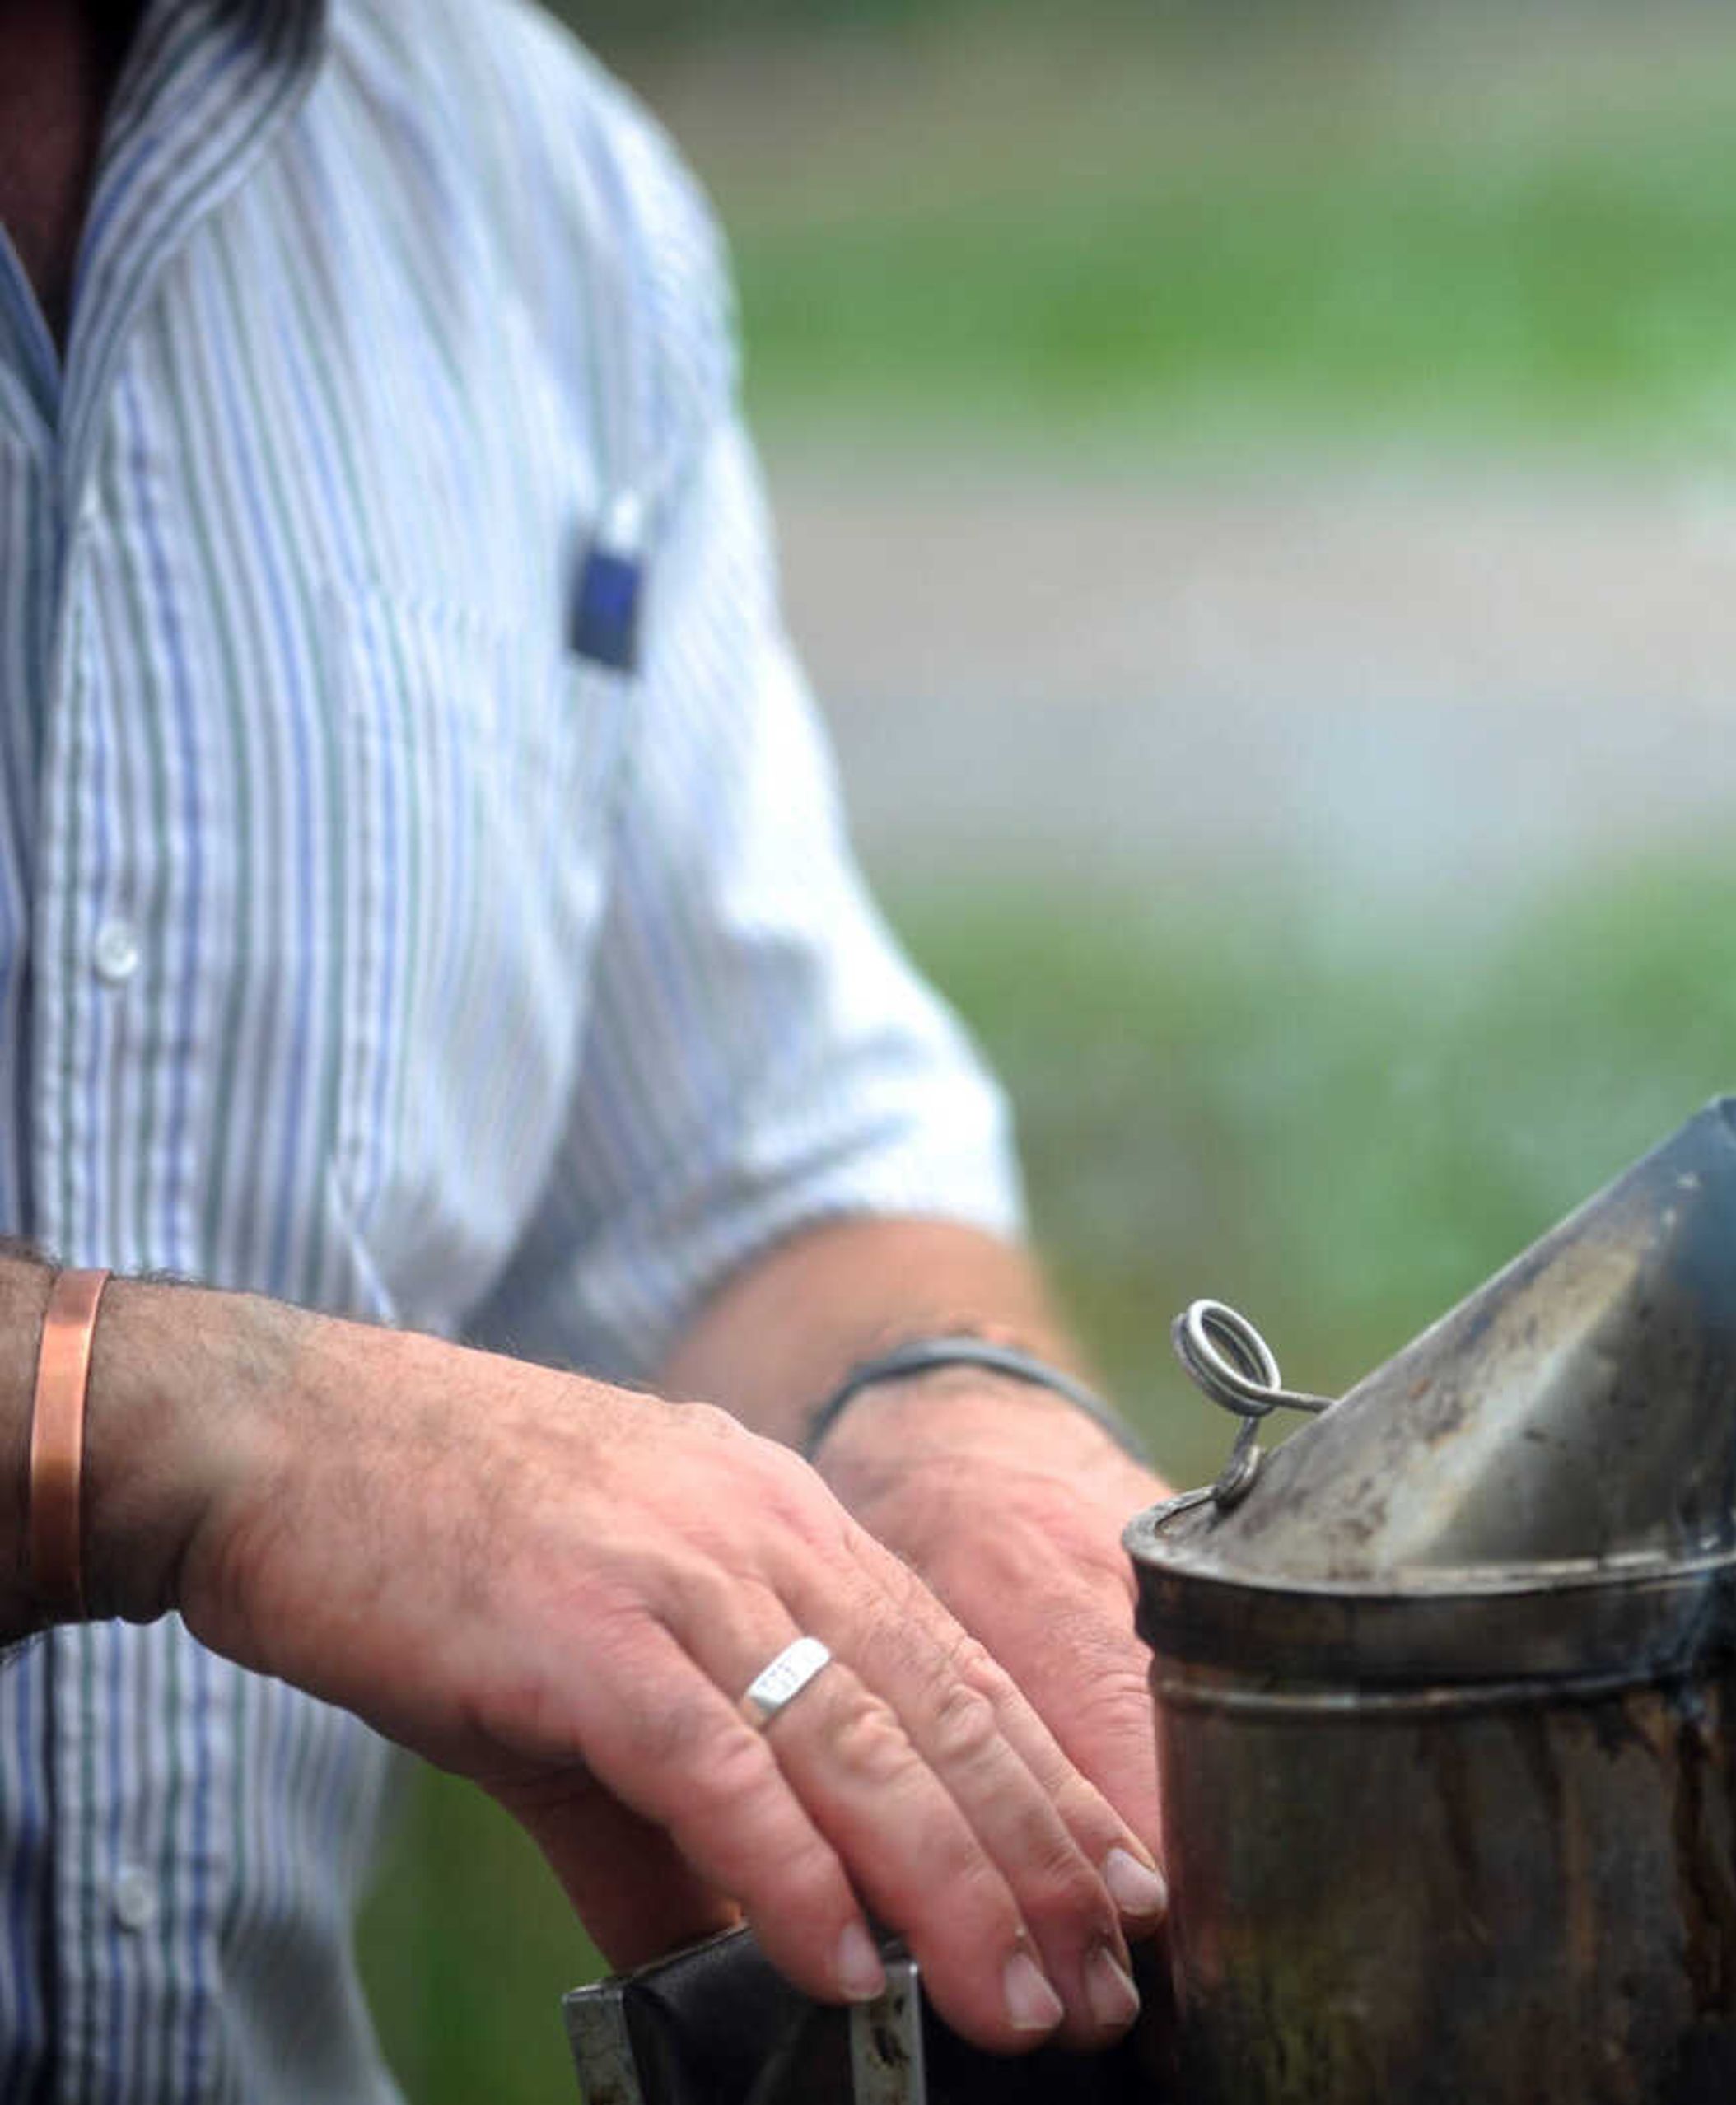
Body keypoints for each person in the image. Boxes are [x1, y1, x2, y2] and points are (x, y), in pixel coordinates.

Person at [0, 0, 1181, 2096]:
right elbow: (248, 1440)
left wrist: (933, 1414)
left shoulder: (527, 175)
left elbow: (737, 1168)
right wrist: (166, 1433)